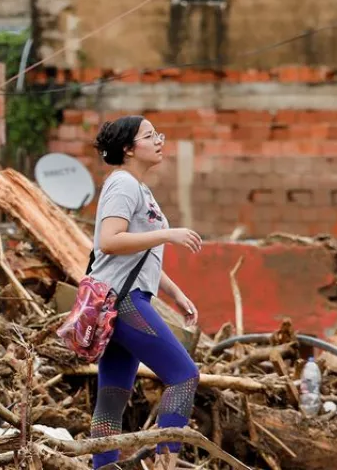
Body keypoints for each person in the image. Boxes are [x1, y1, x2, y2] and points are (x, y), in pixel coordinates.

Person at [87, 116, 202, 470]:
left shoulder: (139, 188)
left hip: (126, 299)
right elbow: (110, 240)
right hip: (123, 303)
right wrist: (168, 235)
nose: (159, 141)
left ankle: (102, 466)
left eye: (159, 135)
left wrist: (175, 293)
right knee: (184, 377)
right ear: (128, 148)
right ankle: (165, 465)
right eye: (150, 136)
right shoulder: (123, 183)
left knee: (111, 399)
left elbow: (139, 255)